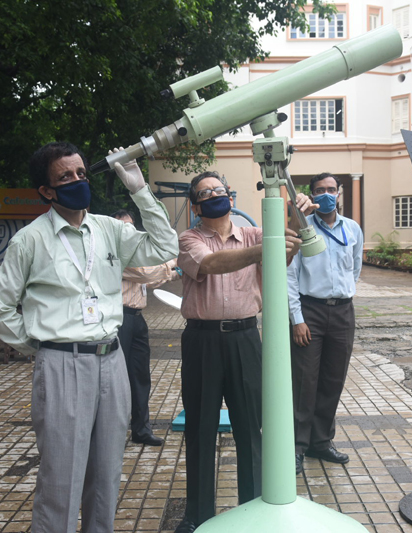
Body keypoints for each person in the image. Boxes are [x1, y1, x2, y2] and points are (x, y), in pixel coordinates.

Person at [0, 142, 178, 533]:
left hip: (112, 358)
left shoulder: (109, 229)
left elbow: (164, 247)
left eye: (81, 173)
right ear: (46, 191)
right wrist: (42, 346)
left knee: (107, 474)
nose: (77, 180)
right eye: (65, 177)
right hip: (62, 364)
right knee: (61, 479)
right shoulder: (30, 240)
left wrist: (140, 190)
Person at [174, 171, 308, 533]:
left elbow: (285, 249)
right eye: (205, 193)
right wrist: (268, 247)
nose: (214, 195)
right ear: (195, 205)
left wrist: (297, 216)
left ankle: (253, 508)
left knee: (250, 427)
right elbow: (210, 264)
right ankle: (198, 515)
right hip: (202, 341)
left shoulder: (253, 234)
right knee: (199, 428)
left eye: (219, 190)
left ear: (231, 197)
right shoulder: (189, 239)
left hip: (245, 338)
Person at [288, 172, 364, 476]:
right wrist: (297, 319)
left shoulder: (353, 229)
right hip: (311, 312)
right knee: (304, 382)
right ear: (312, 195)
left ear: (339, 193)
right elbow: (290, 276)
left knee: (333, 380)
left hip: (343, 313)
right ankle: (297, 446)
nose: (326, 194)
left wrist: (342, 293)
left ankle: (321, 442)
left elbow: (355, 268)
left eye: (331, 189)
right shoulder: (303, 229)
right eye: (320, 190)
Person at [113, 208, 179, 447]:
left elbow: (151, 280)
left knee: (139, 375)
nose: (128, 231)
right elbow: (145, 274)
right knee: (116, 378)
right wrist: (174, 261)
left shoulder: (134, 252)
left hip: (137, 318)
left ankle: (141, 429)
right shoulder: (115, 253)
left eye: (131, 226)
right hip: (118, 319)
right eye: (122, 226)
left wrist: (173, 273)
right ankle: (113, 432)